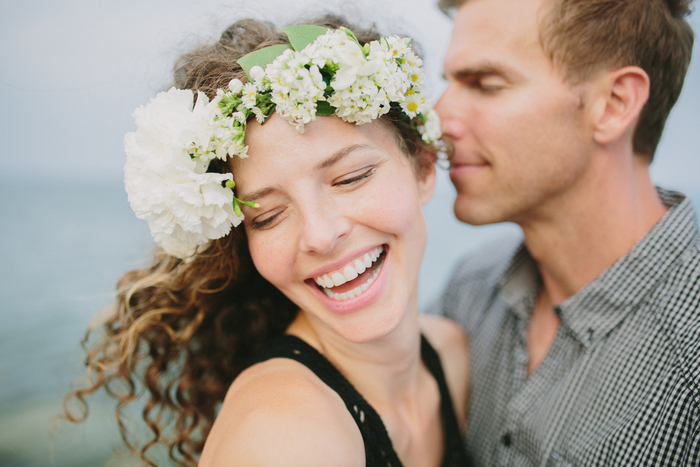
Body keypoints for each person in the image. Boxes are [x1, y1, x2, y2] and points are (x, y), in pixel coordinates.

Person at [63, 15, 472, 467]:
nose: (319, 235)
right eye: (269, 216)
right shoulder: (281, 437)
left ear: (423, 167)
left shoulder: (455, 354)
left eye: (349, 178)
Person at [431, 0, 699, 465]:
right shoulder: (470, 290)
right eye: (448, 83)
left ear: (613, 105)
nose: (437, 119)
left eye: (486, 85)